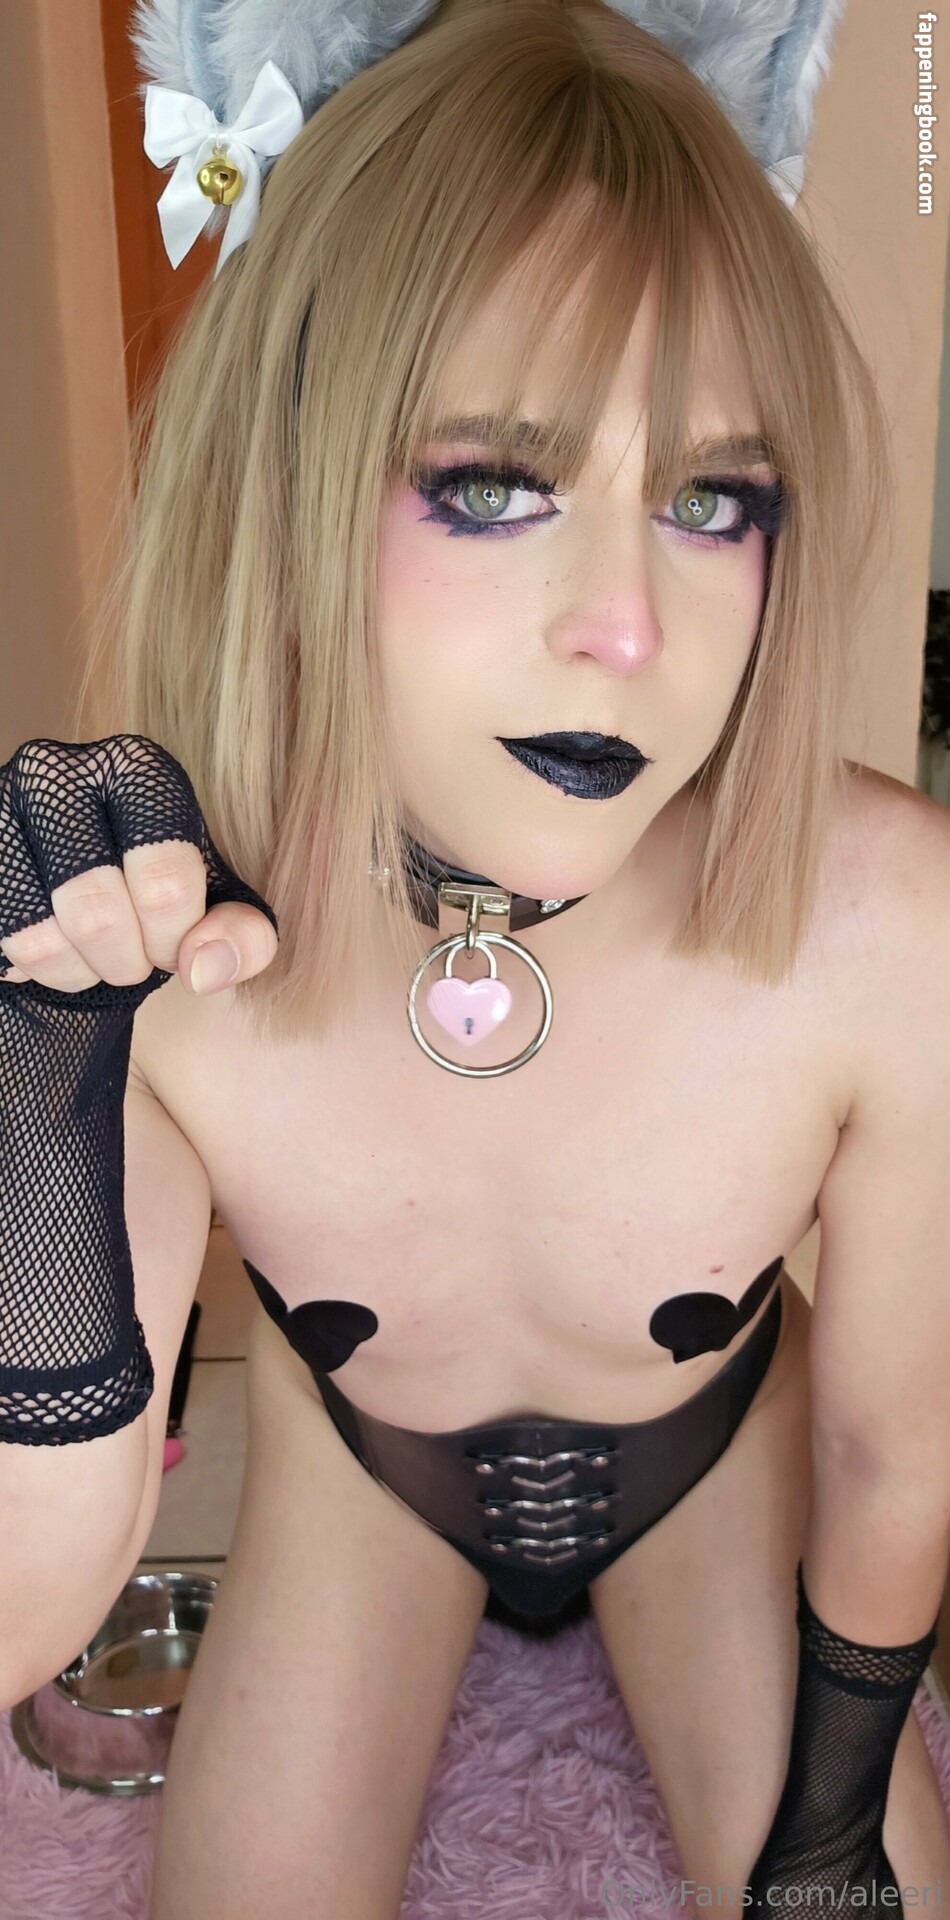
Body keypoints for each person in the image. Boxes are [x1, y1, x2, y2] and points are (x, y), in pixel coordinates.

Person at [1, 3, 949, 1917]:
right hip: (367, 1477)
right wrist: (39, 1075)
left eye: (710, 500)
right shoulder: (173, 948)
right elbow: (26, 1609)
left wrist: (832, 1827)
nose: (625, 628)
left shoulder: (888, 926)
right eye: (494, 485)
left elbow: (890, 1455)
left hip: (717, 1466)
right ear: (288, 475)